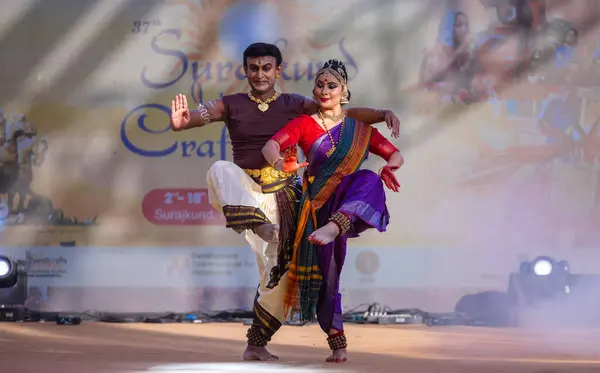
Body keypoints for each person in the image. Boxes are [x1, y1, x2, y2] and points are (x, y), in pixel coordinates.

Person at [169, 43, 401, 361]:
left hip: (285, 199)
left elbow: (342, 115)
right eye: (253, 68)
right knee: (220, 170)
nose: (260, 74)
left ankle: (256, 343)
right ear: (245, 71)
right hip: (246, 191)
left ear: (278, 71)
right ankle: (259, 225)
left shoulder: (295, 104)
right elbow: (200, 115)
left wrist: (381, 115)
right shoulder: (231, 104)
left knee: (279, 274)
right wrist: (185, 121)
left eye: (267, 67)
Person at [261, 59, 404, 363]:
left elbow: (394, 154)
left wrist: (390, 167)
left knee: (369, 178)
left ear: (344, 91)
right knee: (327, 278)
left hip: (346, 204)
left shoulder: (360, 129)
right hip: (316, 207)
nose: (324, 90)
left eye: (332, 85)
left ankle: (337, 226)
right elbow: (270, 147)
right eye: (320, 84)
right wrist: (280, 164)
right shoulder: (304, 124)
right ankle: (337, 341)